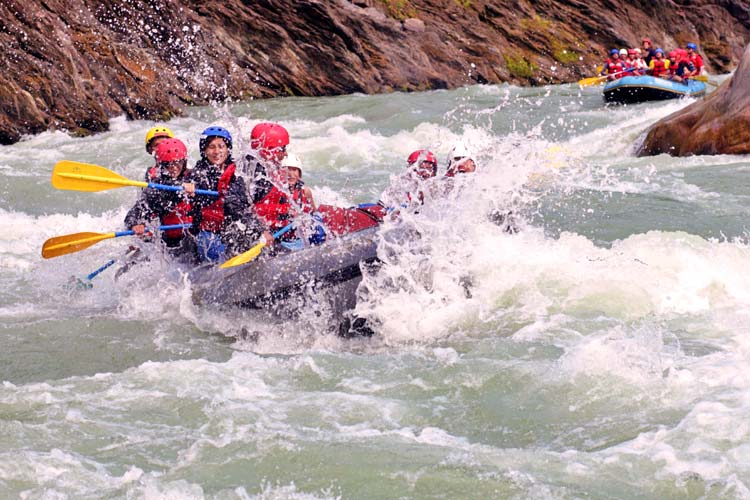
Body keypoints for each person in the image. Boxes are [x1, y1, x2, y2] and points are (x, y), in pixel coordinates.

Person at [189, 126, 271, 262]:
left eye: (221, 146)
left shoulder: (238, 171)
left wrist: (259, 229)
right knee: (213, 249)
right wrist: (188, 186)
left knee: (252, 242)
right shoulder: (197, 174)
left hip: (231, 226)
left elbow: (239, 204)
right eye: (211, 147)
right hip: (209, 232)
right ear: (204, 150)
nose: (217, 152)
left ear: (228, 149)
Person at [124, 138, 193, 256]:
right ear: (161, 165)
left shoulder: (195, 177)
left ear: (184, 162)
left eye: (178, 162)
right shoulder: (155, 188)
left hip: (195, 234)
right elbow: (132, 215)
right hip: (172, 242)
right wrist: (135, 224)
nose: (174, 167)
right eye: (168, 164)